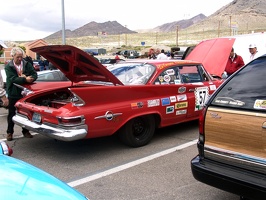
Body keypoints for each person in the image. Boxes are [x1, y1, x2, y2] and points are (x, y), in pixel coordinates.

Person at [5, 47, 37, 141]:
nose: (20, 59)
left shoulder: (27, 64)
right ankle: (10, 132)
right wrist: (24, 79)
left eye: (21, 57)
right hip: (13, 93)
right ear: (13, 56)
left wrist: (31, 78)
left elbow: (34, 74)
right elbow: (13, 78)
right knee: (12, 113)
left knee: (26, 113)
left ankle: (25, 131)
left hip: (25, 93)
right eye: (18, 57)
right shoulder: (8, 66)